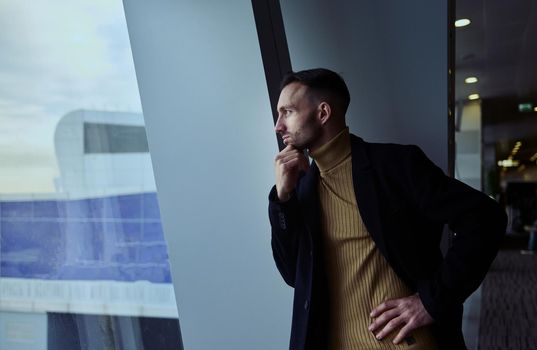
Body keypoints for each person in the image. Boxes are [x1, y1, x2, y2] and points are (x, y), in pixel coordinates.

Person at [268, 68, 507, 350]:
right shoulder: (303, 187)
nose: (278, 126)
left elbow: (484, 218)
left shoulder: (393, 165)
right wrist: (283, 199)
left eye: (288, 112)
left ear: (323, 113)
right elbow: (293, 275)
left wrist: (431, 301)